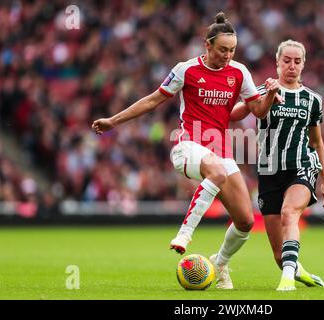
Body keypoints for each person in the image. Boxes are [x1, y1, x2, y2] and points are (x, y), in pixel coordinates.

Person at [91, 12, 278, 290]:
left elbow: (258, 110)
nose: (228, 55)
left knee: (246, 220)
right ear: (208, 45)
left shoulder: (239, 73)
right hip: (188, 145)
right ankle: (184, 235)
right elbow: (153, 100)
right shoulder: (186, 69)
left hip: (221, 150)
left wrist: (271, 95)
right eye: (222, 50)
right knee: (215, 171)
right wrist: (113, 121)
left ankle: (221, 263)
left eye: (232, 50)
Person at [230, 40, 324, 291]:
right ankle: (299, 273)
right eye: (286, 60)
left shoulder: (312, 100)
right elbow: (233, 114)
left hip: (301, 165)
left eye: (297, 61)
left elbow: (317, 141)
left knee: (290, 214)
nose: (292, 66)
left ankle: (286, 282)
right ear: (277, 63)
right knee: (280, 256)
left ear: (303, 64)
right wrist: (266, 94)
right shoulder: (262, 89)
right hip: (268, 173)